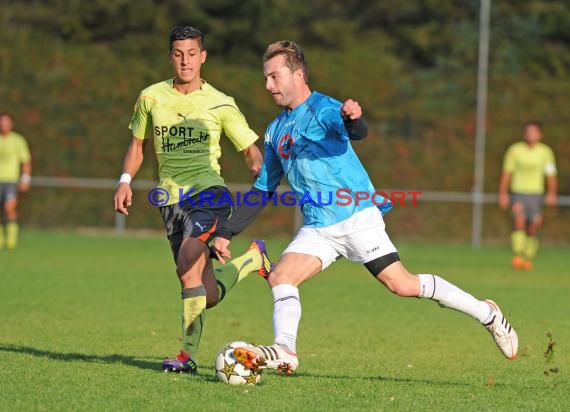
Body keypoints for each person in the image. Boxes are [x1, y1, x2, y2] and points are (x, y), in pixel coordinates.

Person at [213, 40, 519, 375]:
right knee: (281, 276)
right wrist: (227, 231)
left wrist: (353, 119)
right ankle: (286, 349)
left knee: (402, 285)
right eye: (266, 78)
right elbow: (263, 189)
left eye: (274, 76)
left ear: (298, 74)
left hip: (357, 217)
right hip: (318, 227)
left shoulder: (325, 109)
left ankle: (487, 314)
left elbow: (354, 130)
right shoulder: (274, 131)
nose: (268, 85)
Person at [113, 26, 270, 374]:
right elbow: (138, 146)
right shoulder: (150, 97)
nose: (185, 60)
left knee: (188, 258)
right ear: (171, 57)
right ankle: (251, 261)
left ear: (203, 57)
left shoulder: (220, 102)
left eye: (192, 53)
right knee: (203, 291)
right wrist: (125, 181)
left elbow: (248, 148)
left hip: (209, 194)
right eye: (179, 54)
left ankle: (186, 357)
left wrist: (258, 163)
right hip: (170, 202)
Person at [498, 122, 557, 271]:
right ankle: (517, 255)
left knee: (533, 226)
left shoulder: (545, 152)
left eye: (534, 132)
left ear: (540, 135)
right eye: (528, 132)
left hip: (536, 193)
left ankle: (527, 256)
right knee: (519, 221)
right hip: (519, 192)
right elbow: (507, 173)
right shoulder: (515, 150)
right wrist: (503, 194)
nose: (531, 134)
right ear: (524, 134)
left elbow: (551, 174)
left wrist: (552, 193)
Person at [0, 112, 31, 250]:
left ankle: (11, 238)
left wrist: (25, 178)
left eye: (6, 122)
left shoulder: (18, 141)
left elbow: (26, 161)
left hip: (11, 180)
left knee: (9, 208)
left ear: (11, 124)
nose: (3, 125)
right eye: (1, 122)